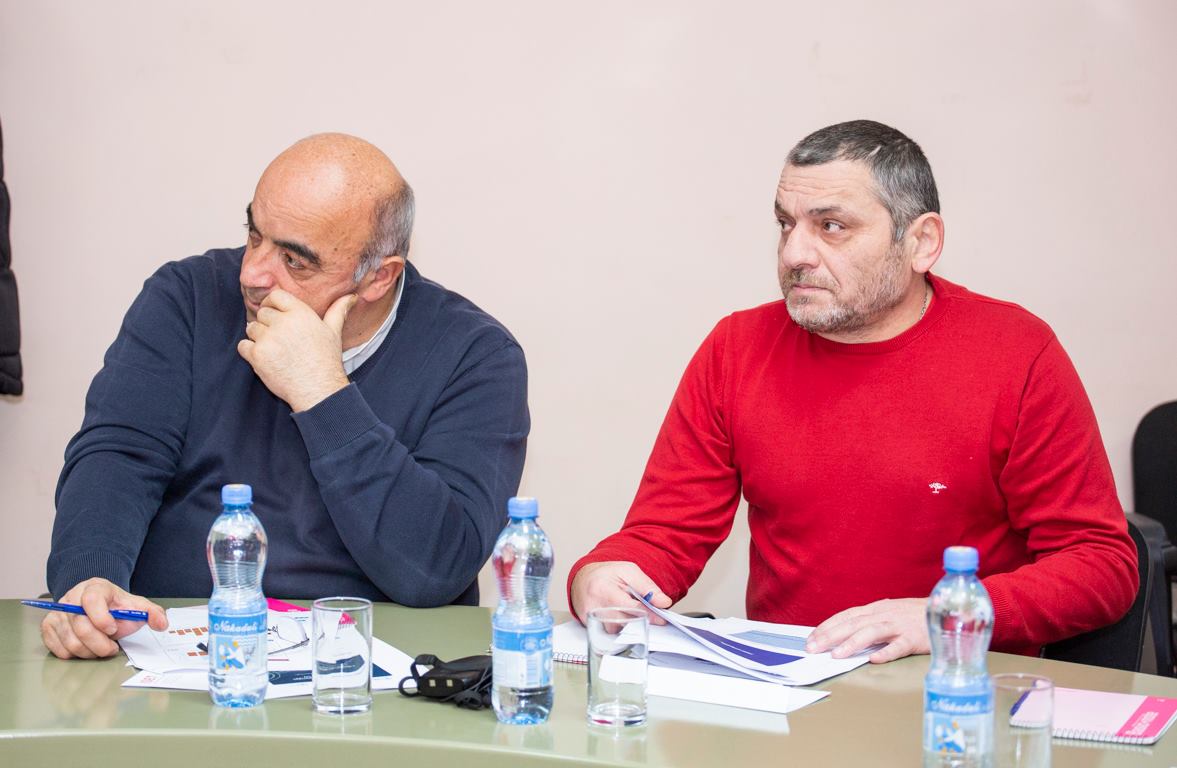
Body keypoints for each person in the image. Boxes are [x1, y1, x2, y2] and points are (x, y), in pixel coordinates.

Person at [569, 119, 1136, 663]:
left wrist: (943, 616)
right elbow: (664, 534)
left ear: (921, 242)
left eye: (831, 226)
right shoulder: (736, 348)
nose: (794, 254)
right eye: (786, 224)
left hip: (956, 691)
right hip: (793, 689)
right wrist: (598, 577)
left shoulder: (1015, 352)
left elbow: (1100, 565)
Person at [43, 134, 529, 660]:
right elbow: (118, 458)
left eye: (295, 261)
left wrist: (321, 392)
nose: (252, 274)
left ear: (379, 278)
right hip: (169, 646)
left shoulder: (477, 356)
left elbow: (436, 568)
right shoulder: (187, 298)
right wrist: (91, 580)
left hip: (370, 664)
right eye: (255, 235)